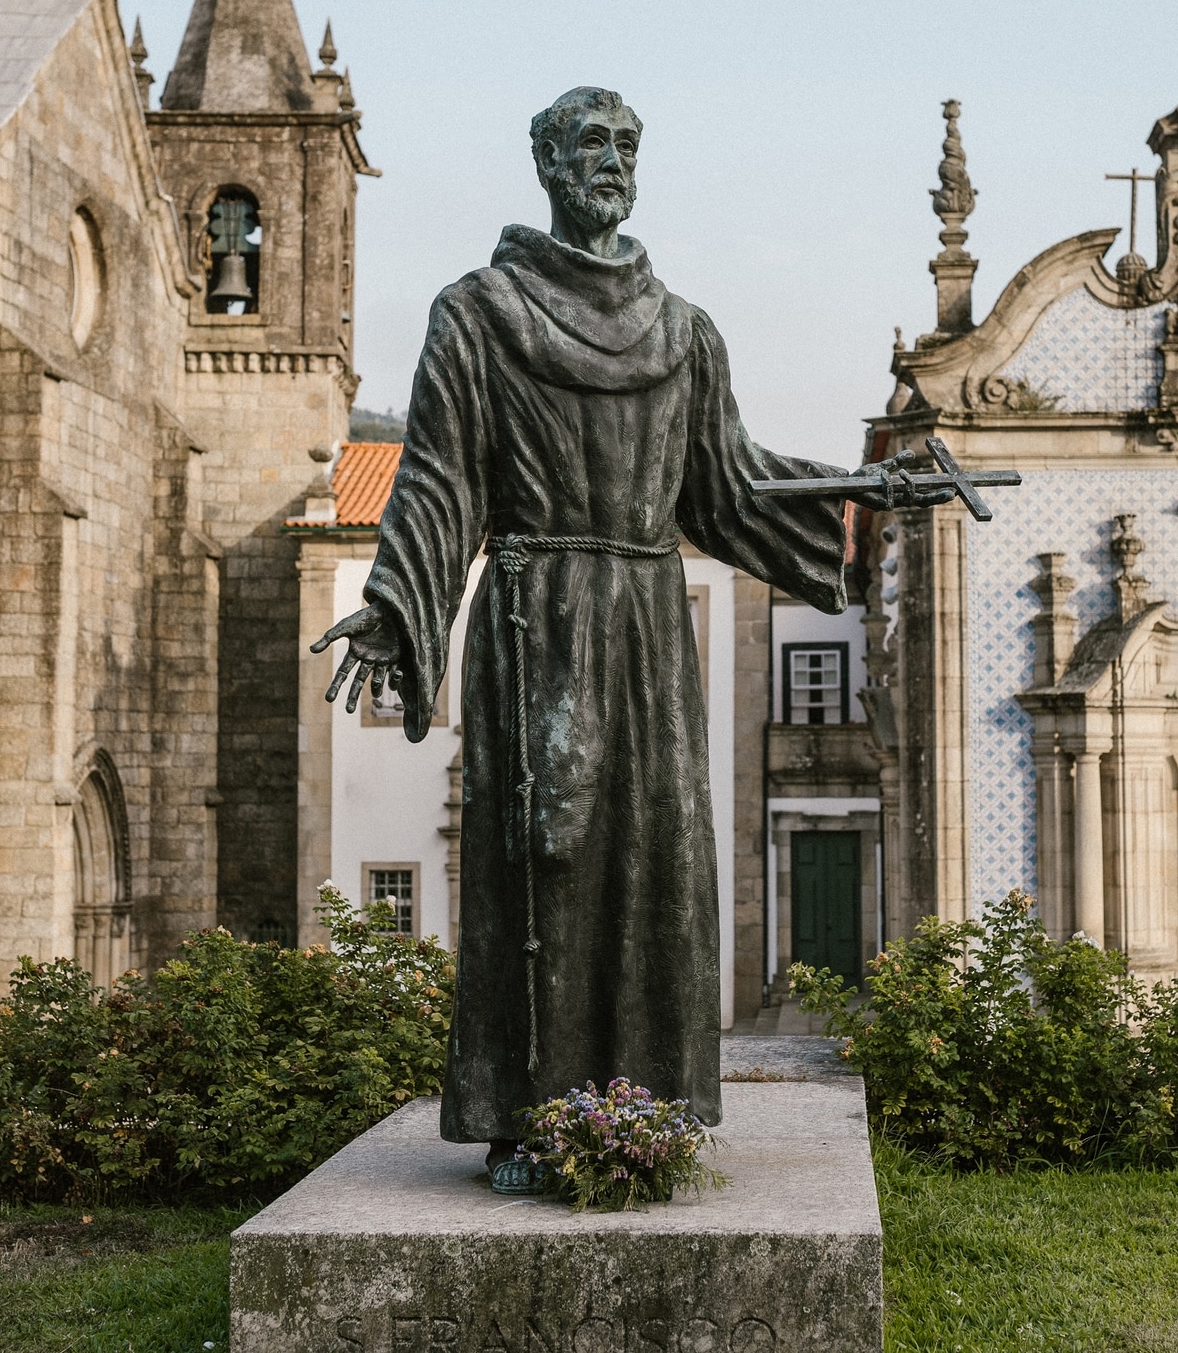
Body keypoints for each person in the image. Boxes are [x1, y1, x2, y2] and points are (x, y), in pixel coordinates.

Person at [313, 88, 893, 1174]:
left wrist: (871, 497)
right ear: (545, 160)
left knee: (659, 855)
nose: (612, 161)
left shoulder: (685, 332)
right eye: (591, 143)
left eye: (628, 145)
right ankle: (531, 1117)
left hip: (646, 625)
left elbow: (729, 487)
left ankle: (645, 1108)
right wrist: (401, 601)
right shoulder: (477, 313)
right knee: (548, 861)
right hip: (537, 615)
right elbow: (439, 478)